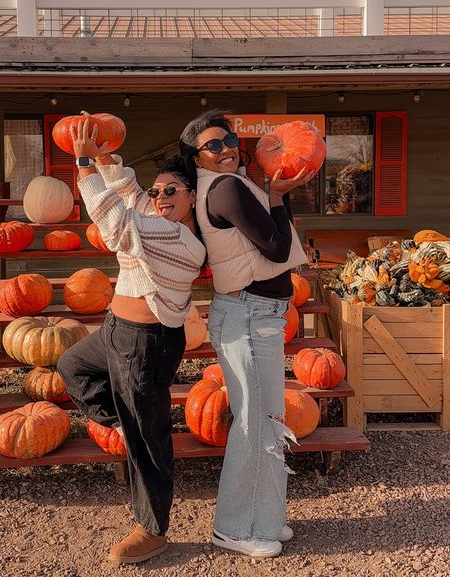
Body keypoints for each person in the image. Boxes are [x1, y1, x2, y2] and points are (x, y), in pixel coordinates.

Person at [57, 119, 206, 564]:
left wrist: (84, 165)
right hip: (114, 331)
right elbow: (131, 194)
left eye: (172, 192)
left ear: (192, 197)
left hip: (147, 344)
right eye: (158, 191)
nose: (160, 198)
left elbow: (116, 223)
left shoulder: (183, 241)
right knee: (72, 367)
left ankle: (153, 529)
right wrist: (107, 157)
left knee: (150, 436)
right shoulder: (156, 215)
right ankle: (119, 423)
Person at [179, 110, 316, 559]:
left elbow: (274, 234)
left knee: (270, 422)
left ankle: (267, 518)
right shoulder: (226, 188)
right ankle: (232, 527)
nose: (226, 148)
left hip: (259, 314)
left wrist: (277, 194)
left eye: (229, 140)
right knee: (254, 425)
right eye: (213, 145)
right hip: (247, 316)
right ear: (196, 157)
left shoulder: (235, 184)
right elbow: (276, 247)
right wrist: (278, 196)